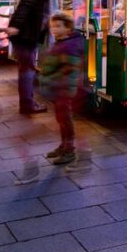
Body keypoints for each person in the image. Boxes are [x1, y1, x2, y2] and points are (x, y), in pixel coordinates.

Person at [6, 0, 67, 115]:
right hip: (25, 35)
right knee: (27, 70)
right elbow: (24, 6)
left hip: (28, 34)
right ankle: (27, 105)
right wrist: (15, 26)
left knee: (27, 69)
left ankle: (28, 102)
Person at [38, 12, 84, 164]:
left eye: (58, 26)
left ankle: (69, 151)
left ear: (68, 28)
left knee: (65, 120)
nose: (54, 29)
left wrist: (52, 80)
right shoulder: (61, 42)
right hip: (58, 89)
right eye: (52, 26)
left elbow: (69, 71)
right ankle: (63, 146)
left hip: (63, 89)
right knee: (61, 119)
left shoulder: (69, 46)